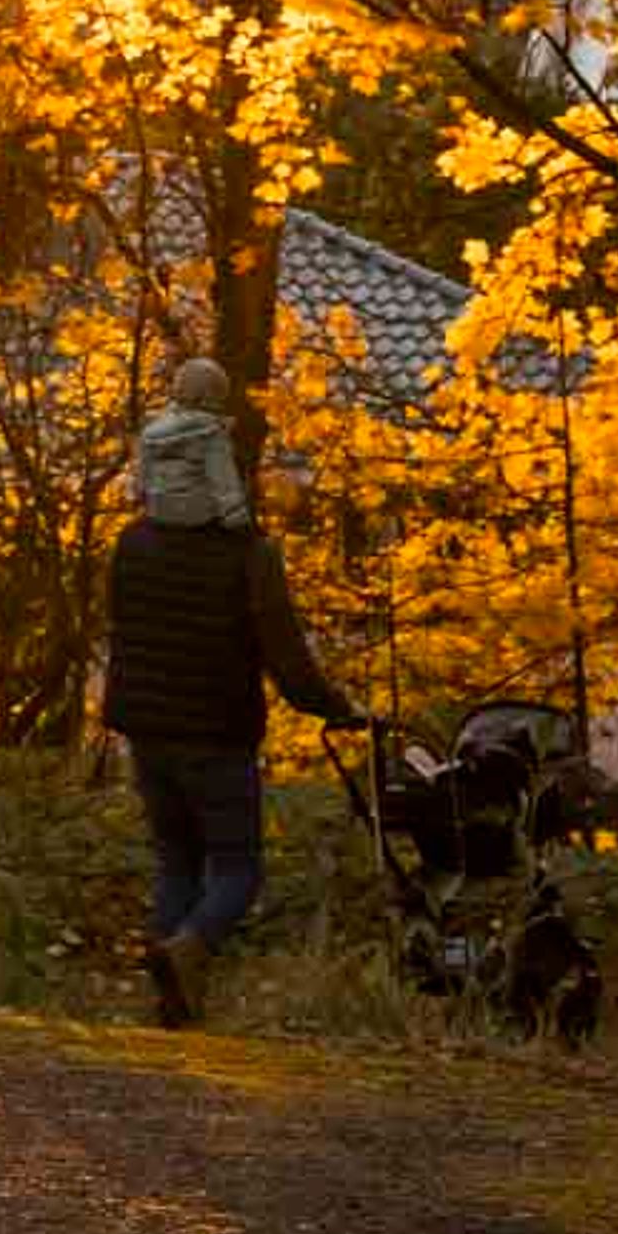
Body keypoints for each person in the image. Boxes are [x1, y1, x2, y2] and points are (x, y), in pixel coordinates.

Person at [101, 369, 360, 1026]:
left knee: (176, 862)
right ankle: (190, 948)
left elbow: (122, 635)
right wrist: (334, 707)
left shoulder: (131, 544)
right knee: (237, 869)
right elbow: (285, 654)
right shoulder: (247, 554)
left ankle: (171, 1000)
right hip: (217, 736)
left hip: (147, 734)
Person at [133, 351, 252, 533]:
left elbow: (142, 478)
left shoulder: (151, 432)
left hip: (158, 510)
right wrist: (236, 516)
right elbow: (223, 478)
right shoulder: (211, 432)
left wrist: (141, 497)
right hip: (197, 514)